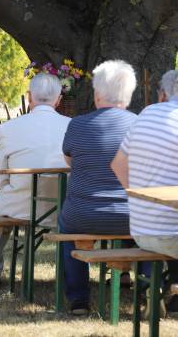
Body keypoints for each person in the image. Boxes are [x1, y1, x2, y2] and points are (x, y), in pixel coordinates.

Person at [58, 60, 137, 315]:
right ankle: (147, 287)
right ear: (128, 94)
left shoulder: (77, 125)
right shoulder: (139, 125)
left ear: (97, 94)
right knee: (145, 217)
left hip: (82, 216)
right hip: (130, 218)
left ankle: (79, 297)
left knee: (66, 226)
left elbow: (69, 160)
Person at [0, 73, 71, 289]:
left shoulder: (9, 128)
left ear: (29, 97)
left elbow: (2, 177)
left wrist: (7, 189)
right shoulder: (72, 125)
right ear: (59, 100)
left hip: (20, 204)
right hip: (62, 207)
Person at [111, 69, 178, 311]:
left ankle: (163, 287)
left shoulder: (145, 114)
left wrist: (141, 196)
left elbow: (117, 164)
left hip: (140, 229)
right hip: (171, 235)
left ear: (162, 95)